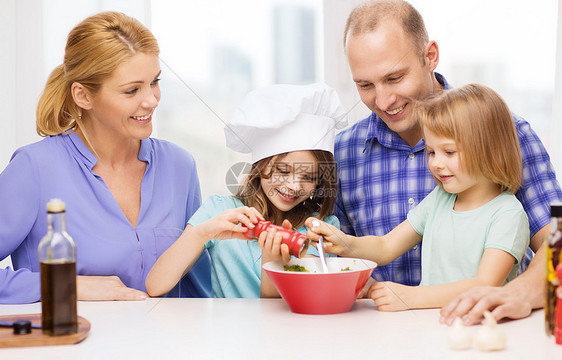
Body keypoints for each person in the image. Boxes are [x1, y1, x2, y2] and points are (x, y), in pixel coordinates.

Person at [335, 0, 562, 311]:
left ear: (430, 57)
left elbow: (558, 246)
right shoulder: (343, 151)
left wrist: (519, 293)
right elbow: (342, 262)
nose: (384, 100)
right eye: (365, 85)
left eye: (394, 78)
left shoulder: (507, 134)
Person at [0, 11, 211, 304]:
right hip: (70, 348)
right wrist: (69, 286)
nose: (151, 100)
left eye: (154, 82)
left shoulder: (179, 166)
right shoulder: (34, 168)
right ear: (83, 96)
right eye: (132, 90)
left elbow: (198, 290)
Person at [307, 83, 530, 310]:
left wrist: (411, 297)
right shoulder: (440, 199)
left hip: (479, 330)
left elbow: (484, 285)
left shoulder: (508, 214)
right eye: (431, 152)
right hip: (432, 327)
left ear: (490, 150)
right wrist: (346, 244)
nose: (436, 163)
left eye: (449, 152)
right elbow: (386, 246)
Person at [145, 83, 347, 298]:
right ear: (261, 166)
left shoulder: (319, 228)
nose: (294, 186)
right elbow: (156, 286)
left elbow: (289, 311)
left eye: (309, 177)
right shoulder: (220, 210)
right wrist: (202, 233)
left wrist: (273, 261)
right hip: (225, 331)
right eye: (283, 171)